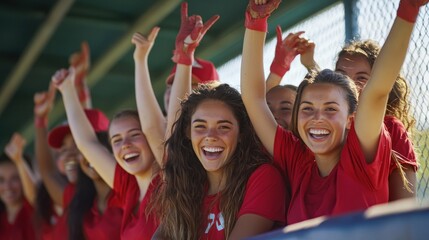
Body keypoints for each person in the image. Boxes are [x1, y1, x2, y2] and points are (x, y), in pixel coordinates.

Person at [240, 0, 425, 225]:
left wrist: (408, 9)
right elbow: (254, 99)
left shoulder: (361, 155)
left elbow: (376, 91)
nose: (317, 118)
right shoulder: (297, 159)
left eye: (330, 109)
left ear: (350, 119)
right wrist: (256, 22)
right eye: (307, 109)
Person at [335, 39, 418, 201]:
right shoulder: (328, 126)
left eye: (361, 78)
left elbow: (404, 203)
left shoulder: (392, 128)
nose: (350, 84)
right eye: (341, 77)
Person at [0, 134, 36, 240]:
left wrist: (19, 160)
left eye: (15, 178)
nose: (7, 186)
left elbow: (35, 195)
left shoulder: (34, 210)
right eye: (1, 180)